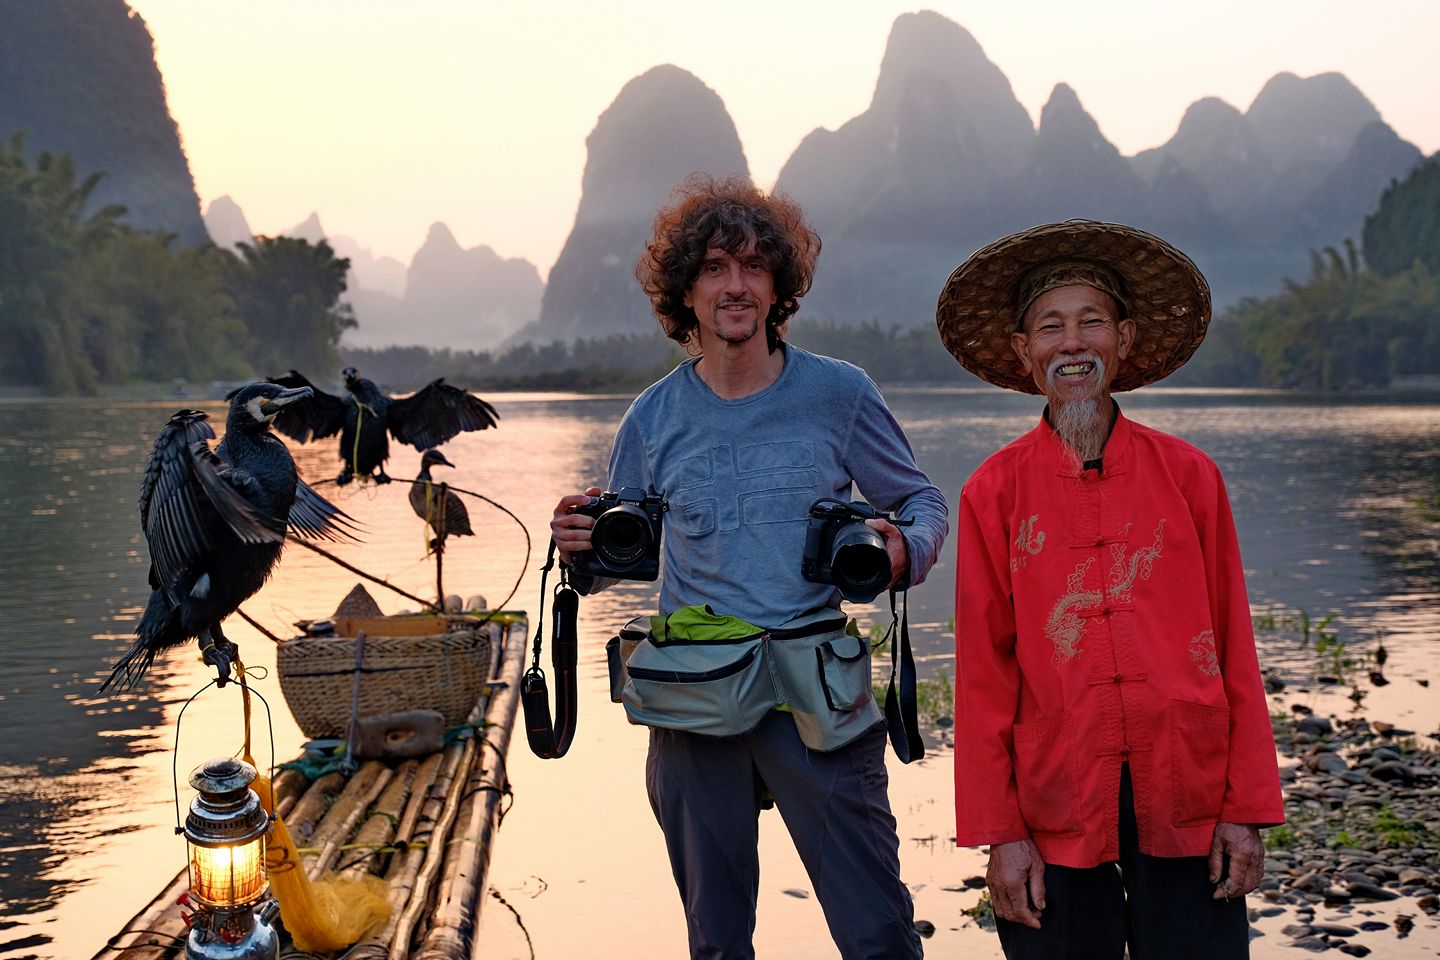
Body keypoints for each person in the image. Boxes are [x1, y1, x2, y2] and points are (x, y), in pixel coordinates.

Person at [550, 174, 949, 960]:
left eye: (753, 267)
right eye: (715, 269)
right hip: (695, 690)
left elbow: (922, 501)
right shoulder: (653, 417)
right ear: (687, 293)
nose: (736, 286)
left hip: (815, 686)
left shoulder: (840, 394)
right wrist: (580, 548)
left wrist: (904, 549)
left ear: (778, 286)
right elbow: (621, 558)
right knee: (717, 939)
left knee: (877, 930)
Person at [935, 221, 1284, 959]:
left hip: (1188, 783)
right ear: (1026, 353)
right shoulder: (993, 494)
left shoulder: (1190, 477)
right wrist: (1001, 835)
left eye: (1091, 321)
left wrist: (1244, 810)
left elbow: (1233, 646)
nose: (1073, 343)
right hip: (1055, 793)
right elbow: (984, 680)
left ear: (1122, 340)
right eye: (1051, 327)